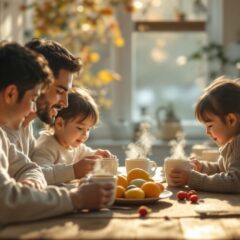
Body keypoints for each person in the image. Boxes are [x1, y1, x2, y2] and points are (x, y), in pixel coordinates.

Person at [0, 42, 113, 224]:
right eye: (34, 97)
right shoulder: (8, 129)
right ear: (12, 93)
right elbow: (6, 203)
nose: (65, 104)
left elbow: (27, 168)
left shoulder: (15, 130)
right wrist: (77, 198)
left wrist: (32, 184)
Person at [2, 39, 100, 186]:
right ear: (40, 82)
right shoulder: (5, 130)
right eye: (60, 91)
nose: (65, 103)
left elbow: (28, 171)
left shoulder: (25, 126)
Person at [169, 77, 240, 193]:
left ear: (231, 120)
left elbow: (234, 181)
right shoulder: (232, 143)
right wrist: (202, 167)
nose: (207, 132)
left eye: (210, 126)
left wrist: (192, 179)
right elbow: (222, 168)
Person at [32, 88, 114, 185]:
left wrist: (98, 154)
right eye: (80, 128)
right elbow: (39, 174)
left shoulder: (73, 145)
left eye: (88, 129)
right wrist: (73, 171)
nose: (85, 134)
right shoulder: (46, 146)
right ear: (59, 124)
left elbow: (86, 154)